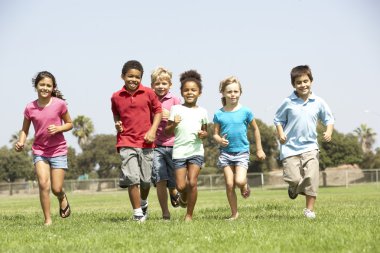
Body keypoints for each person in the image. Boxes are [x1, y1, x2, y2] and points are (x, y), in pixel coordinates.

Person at [274, 65, 334, 219]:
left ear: (311, 81)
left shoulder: (318, 102)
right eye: (299, 82)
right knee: (293, 178)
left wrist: (328, 131)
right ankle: (293, 189)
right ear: (294, 85)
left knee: (312, 177)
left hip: (310, 146)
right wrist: (281, 134)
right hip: (289, 148)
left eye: (305, 81)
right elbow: (278, 119)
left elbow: (329, 119)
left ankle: (309, 210)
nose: (303, 85)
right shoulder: (288, 102)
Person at [15, 71, 73, 226]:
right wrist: (21, 142)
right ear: (36, 86)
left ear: (53, 87)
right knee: (43, 184)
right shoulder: (30, 107)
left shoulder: (59, 104)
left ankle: (61, 197)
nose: (45, 88)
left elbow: (70, 123)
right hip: (39, 150)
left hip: (58, 150)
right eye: (42, 85)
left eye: (48, 85)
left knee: (56, 188)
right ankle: (48, 220)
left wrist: (59, 129)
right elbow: (25, 130)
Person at [111, 60, 162, 222]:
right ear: (122, 76)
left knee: (146, 181)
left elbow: (158, 112)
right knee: (132, 178)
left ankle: (143, 202)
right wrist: (117, 123)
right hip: (126, 142)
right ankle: (138, 213)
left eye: (137, 77)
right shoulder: (116, 97)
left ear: (141, 78)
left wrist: (152, 131)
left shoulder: (149, 93)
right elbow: (116, 113)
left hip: (146, 143)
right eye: (130, 76)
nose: (133, 79)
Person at [213, 76, 266, 220]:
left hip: (242, 152)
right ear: (223, 93)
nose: (232, 94)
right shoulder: (219, 114)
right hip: (225, 154)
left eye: (236, 91)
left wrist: (259, 149)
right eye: (229, 91)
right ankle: (234, 213)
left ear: (240, 93)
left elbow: (256, 129)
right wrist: (219, 140)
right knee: (229, 184)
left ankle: (244, 186)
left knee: (239, 181)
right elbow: (215, 134)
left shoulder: (246, 112)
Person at [165, 70, 208, 221]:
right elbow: (168, 130)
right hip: (179, 152)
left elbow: (205, 131)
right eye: (186, 90)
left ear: (199, 93)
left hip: (196, 151)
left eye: (193, 90)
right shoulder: (176, 109)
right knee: (182, 186)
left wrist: (203, 135)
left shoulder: (203, 112)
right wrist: (174, 123)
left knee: (193, 182)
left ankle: (189, 215)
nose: (190, 92)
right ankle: (183, 197)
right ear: (182, 92)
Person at [150, 67, 181, 220]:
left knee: (175, 180)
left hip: (174, 144)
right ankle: (165, 213)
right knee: (160, 178)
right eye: (157, 83)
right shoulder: (149, 100)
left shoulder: (175, 100)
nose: (161, 86)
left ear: (170, 85)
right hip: (156, 146)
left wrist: (171, 116)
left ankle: (174, 190)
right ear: (152, 85)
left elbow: (182, 120)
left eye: (164, 83)